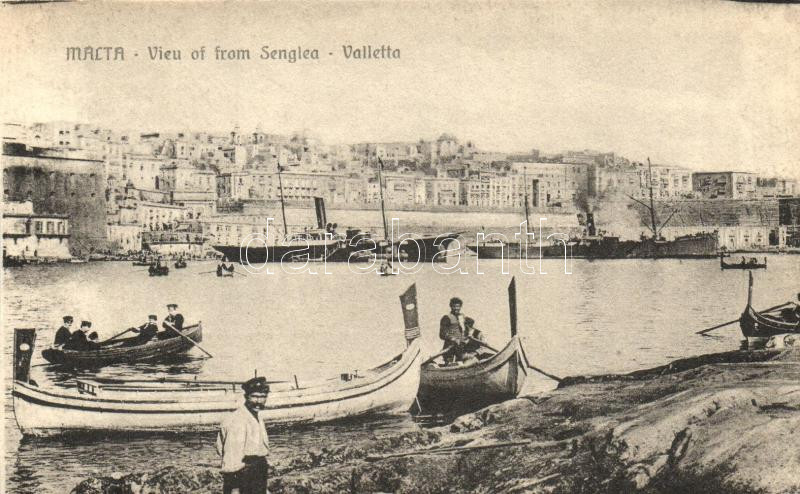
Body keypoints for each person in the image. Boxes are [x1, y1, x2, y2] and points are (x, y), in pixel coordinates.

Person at [216, 376, 270, 494]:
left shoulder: (256, 416)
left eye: (263, 397)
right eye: (254, 396)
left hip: (257, 472)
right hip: (242, 476)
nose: (259, 401)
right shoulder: (238, 421)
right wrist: (235, 489)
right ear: (246, 397)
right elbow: (231, 457)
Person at [439, 297, 485, 364]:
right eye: (454, 306)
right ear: (451, 306)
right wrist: (453, 339)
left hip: (461, 347)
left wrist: (474, 334)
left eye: (458, 306)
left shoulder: (462, 317)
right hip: (451, 348)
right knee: (453, 363)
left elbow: (471, 324)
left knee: (469, 358)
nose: (456, 308)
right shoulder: (446, 318)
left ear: (461, 307)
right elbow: (442, 334)